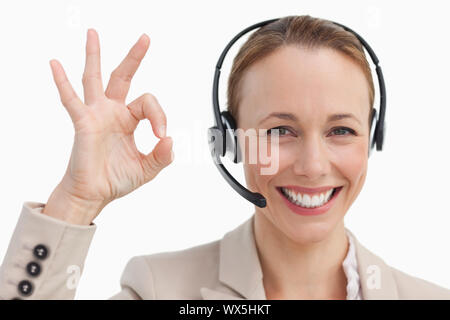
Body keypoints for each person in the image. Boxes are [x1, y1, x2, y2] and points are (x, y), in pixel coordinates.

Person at [0, 15, 449, 300]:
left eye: (341, 131)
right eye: (280, 131)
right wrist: (75, 203)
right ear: (230, 142)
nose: (313, 165)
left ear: (373, 137)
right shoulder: (162, 289)